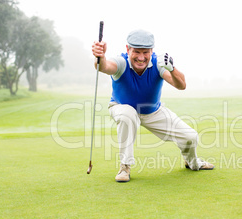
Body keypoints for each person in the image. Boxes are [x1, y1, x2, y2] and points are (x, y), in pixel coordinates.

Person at [91, 29, 214, 182]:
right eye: (136, 52)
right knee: (128, 114)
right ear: (128, 49)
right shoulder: (121, 62)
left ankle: (192, 162)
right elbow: (103, 67)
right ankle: (125, 166)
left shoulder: (158, 63)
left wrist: (172, 68)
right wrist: (101, 56)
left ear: (151, 51)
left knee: (190, 137)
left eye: (145, 52)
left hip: (152, 112)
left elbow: (181, 85)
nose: (141, 57)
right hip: (121, 107)